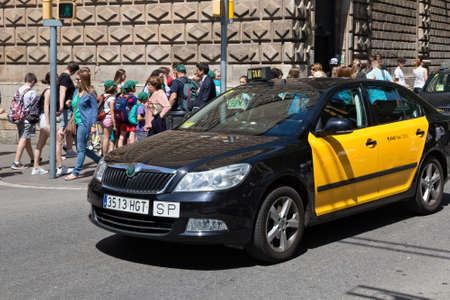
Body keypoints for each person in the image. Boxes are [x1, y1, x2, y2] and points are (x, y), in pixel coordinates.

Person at [65, 69, 100, 181]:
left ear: (84, 80)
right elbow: (76, 107)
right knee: (82, 148)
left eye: (78, 79)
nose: (76, 81)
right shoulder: (76, 91)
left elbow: (94, 110)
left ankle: (76, 172)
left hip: (85, 123)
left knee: (80, 149)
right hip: (75, 123)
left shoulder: (91, 93)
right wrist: (70, 104)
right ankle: (100, 161)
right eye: (76, 79)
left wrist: (94, 126)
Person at [11, 73, 37, 170]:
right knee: (23, 139)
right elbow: (35, 107)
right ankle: (16, 162)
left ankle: (34, 159)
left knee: (27, 140)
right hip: (27, 120)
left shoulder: (19, 90)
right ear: (33, 81)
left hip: (19, 118)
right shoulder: (32, 92)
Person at [31, 73, 51, 175]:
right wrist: (48, 122)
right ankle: (59, 166)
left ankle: (36, 167)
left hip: (44, 118)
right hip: (45, 119)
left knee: (41, 143)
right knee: (56, 141)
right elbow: (46, 107)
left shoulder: (47, 90)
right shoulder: (49, 91)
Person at [115, 80, 138, 147]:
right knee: (132, 135)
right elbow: (134, 109)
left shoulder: (122, 97)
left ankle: (119, 151)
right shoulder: (133, 98)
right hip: (130, 120)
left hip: (122, 119)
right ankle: (131, 151)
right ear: (132, 88)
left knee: (122, 136)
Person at [100, 80, 117, 156]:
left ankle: (102, 153)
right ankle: (105, 155)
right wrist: (114, 124)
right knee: (107, 138)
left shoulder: (104, 95)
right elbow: (112, 112)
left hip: (102, 118)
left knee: (104, 136)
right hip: (108, 118)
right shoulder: (112, 99)